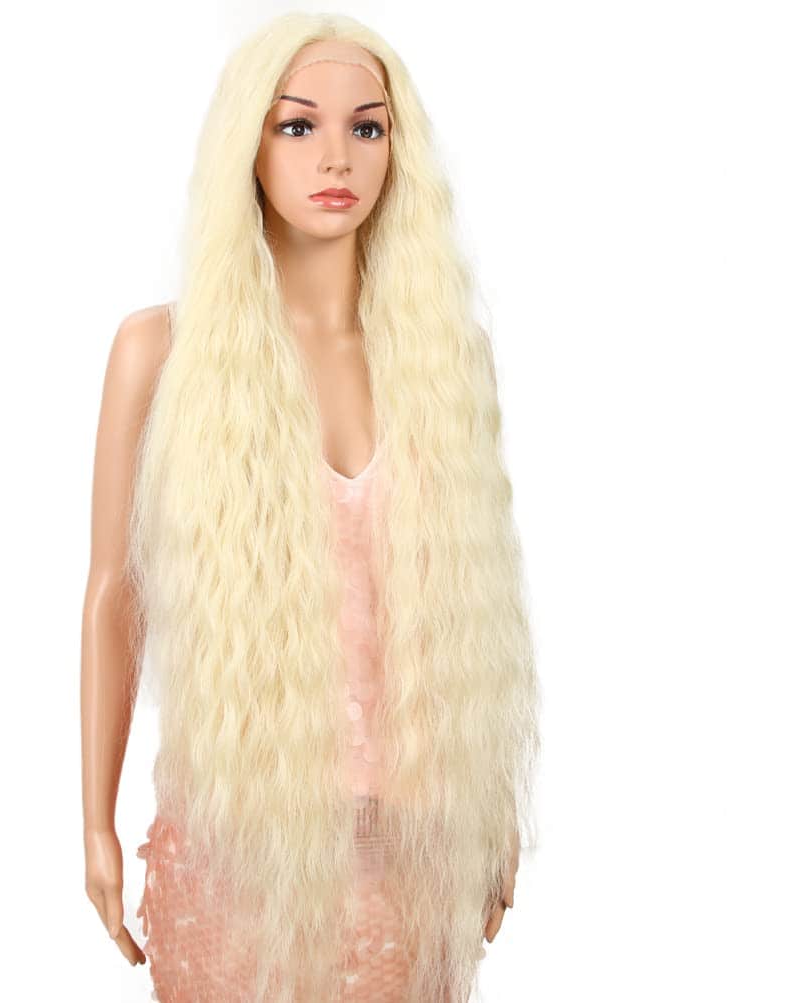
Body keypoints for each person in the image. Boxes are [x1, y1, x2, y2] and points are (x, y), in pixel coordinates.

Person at [81, 12, 540, 1002]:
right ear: (245, 146)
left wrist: (491, 803)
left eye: (366, 127)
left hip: (416, 861)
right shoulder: (159, 354)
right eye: (297, 125)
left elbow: (475, 602)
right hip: (238, 857)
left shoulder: (443, 361)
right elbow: (115, 593)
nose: (336, 156)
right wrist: (94, 822)